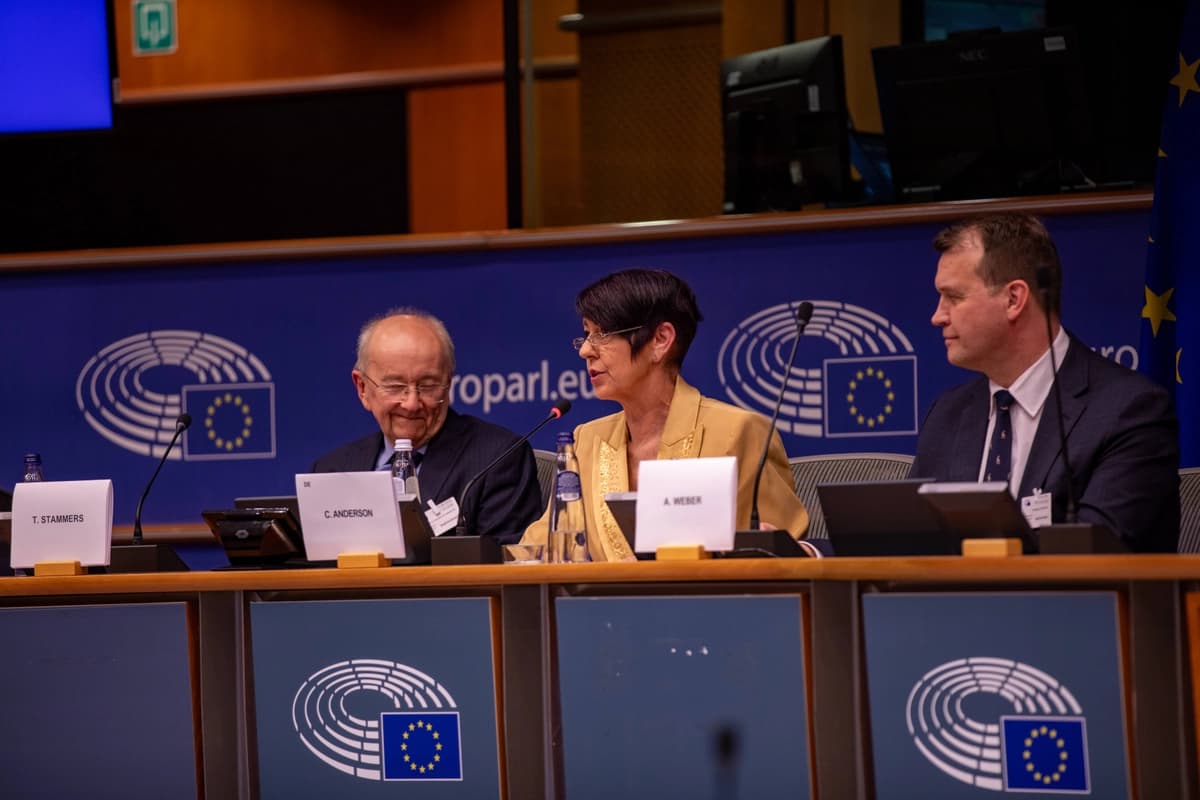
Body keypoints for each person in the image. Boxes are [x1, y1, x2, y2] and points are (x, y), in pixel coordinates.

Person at [911, 213, 1179, 552]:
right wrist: (820, 555)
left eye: (954, 297)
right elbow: (911, 542)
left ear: (1013, 300)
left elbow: (1101, 549)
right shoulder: (948, 414)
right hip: (945, 606)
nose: (938, 315)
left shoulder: (1128, 411)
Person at [522, 269, 810, 561]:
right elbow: (541, 549)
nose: (585, 350)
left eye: (603, 333)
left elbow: (791, 553)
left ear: (660, 339)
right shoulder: (587, 440)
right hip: (604, 606)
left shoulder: (740, 432)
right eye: (586, 334)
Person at [312, 309, 543, 544]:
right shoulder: (329, 471)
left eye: (429, 385)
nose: (412, 404)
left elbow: (505, 568)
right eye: (395, 386)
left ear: (448, 385)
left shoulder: (497, 459)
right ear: (362, 388)